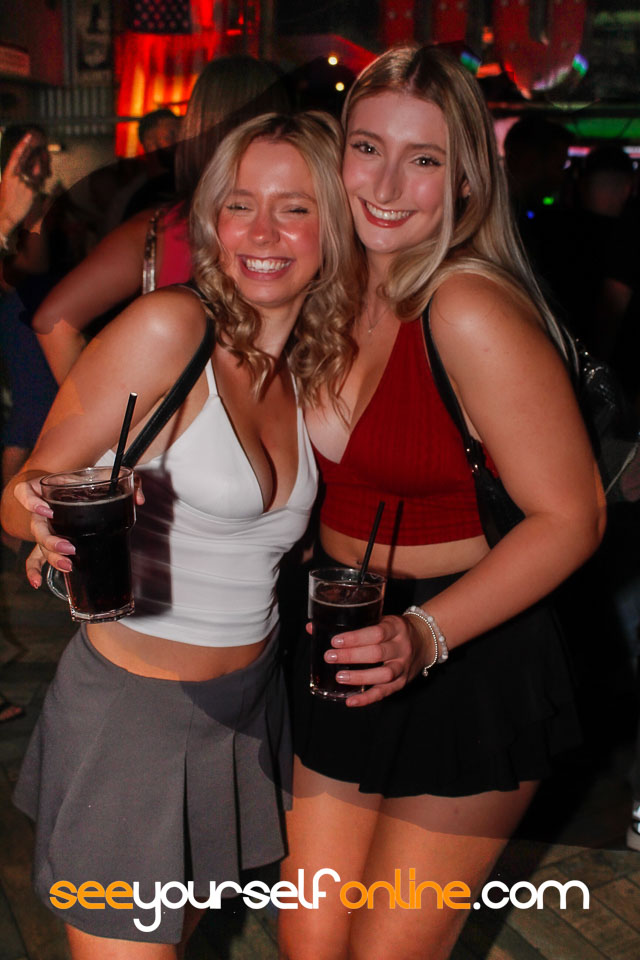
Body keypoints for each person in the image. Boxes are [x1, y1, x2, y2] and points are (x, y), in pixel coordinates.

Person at [1, 111, 359, 958]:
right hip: (133, 718)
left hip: (249, 708)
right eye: (240, 204)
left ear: (335, 230)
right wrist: (44, 521)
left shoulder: (312, 371)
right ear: (211, 220)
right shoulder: (169, 327)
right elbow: (20, 493)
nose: (262, 233)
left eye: (295, 208)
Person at [280, 46, 605, 960]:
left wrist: (424, 637)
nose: (386, 185)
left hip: (467, 652)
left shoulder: (465, 305)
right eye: (367, 148)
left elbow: (573, 516)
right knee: (310, 941)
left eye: (422, 158)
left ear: (466, 178)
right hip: (343, 634)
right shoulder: (325, 292)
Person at [33, 54, 289, 385]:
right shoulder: (298, 230)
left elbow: (53, 321)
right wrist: (108, 413)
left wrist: (109, 413)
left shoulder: (162, 226)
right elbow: (53, 322)